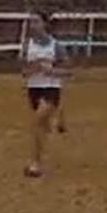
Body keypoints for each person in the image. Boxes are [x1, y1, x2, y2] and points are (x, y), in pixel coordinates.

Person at [21, 10, 69, 178]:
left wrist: (51, 71)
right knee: (42, 125)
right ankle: (56, 118)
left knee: (38, 120)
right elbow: (22, 71)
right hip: (34, 88)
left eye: (36, 22)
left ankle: (35, 163)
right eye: (31, 22)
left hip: (51, 88)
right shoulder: (27, 46)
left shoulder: (56, 46)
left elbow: (68, 71)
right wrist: (31, 69)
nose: (32, 26)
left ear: (44, 24)